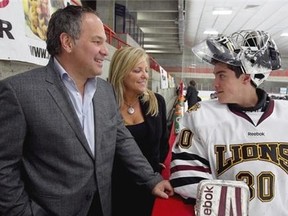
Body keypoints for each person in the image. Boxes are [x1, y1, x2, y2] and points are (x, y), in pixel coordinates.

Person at [0, 5, 173, 216]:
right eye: (97, 41)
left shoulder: (104, 91)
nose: (105, 50)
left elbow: (122, 140)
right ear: (67, 42)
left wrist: (151, 179)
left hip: (103, 207)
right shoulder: (18, 92)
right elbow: (4, 166)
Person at [169, 30, 286, 215]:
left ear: (246, 77)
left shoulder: (285, 115)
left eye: (222, 76)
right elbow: (184, 177)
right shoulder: (200, 116)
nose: (215, 83)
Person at [108, 46, 170, 216]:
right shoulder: (105, 104)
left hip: (150, 185)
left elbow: (163, 142)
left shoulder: (156, 102)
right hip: (115, 188)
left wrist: (155, 171)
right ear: (121, 72)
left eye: (146, 70)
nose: (145, 76)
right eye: (137, 70)